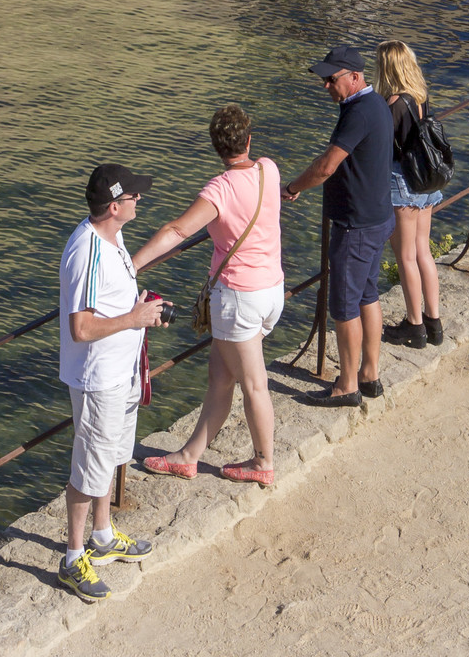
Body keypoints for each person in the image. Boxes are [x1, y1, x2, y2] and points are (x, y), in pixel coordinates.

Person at [134, 103, 285, 488]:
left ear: (216, 147)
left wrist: (130, 265)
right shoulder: (269, 169)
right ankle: (188, 456)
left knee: (254, 384)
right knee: (219, 375)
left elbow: (178, 231)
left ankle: (263, 462)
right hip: (272, 291)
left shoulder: (219, 189)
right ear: (249, 140)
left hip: (239, 299)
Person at [56, 164, 166, 605]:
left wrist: (136, 308)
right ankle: (71, 558)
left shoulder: (113, 238)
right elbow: (80, 327)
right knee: (90, 465)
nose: (141, 200)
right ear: (115, 206)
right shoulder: (86, 251)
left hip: (121, 372)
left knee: (111, 455)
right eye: (135, 197)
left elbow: (108, 302)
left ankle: (102, 535)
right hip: (98, 378)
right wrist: (133, 319)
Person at [282, 44, 394, 407]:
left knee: (344, 306)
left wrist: (293, 187)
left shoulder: (357, 112)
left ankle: (346, 385)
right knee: (368, 295)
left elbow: (327, 165)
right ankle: (369, 374)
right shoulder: (377, 104)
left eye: (331, 80)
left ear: (354, 77)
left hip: (355, 226)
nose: (326, 87)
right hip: (378, 217)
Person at [377, 40, 446, 350]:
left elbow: (380, 147)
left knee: (405, 256)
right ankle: (434, 322)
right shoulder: (420, 96)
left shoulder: (393, 104)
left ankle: (414, 326)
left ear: (387, 68)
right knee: (423, 251)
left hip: (402, 182)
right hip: (425, 182)